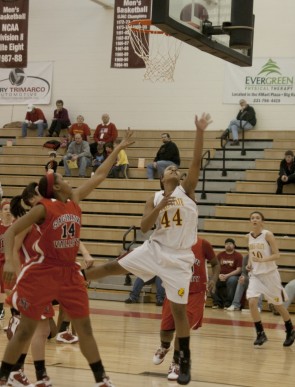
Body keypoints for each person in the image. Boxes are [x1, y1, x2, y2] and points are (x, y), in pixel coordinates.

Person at [86, 112, 212, 385]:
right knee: (111, 266)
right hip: (155, 249)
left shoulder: (187, 191)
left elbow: (196, 163)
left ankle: (183, 362)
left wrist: (200, 131)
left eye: (176, 170)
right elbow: (144, 228)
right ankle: (73, 280)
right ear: (161, 178)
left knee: (179, 313)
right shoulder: (153, 197)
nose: (175, 171)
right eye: (170, 170)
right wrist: (159, 206)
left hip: (180, 258)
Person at [0, 129, 134, 387]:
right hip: (42, 271)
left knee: (76, 328)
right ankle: (8, 374)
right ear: (57, 186)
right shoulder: (44, 208)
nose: (67, 177)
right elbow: (13, 233)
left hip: (67, 271)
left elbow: (100, 175)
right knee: (30, 329)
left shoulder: (73, 200)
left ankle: (100, 379)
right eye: (61, 176)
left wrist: (117, 149)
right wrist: (11, 261)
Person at [152, 237, 220, 381]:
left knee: (183, 328)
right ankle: (164, 346)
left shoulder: (203, 244)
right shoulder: (171, 241)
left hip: (196, 292)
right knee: (165, 330)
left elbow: (215, 263)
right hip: (174, 289)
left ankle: (176, 363)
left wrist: (213, 279)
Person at [246, 211, 295, 347]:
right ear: (250, 221)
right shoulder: (248, 236)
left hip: (270, 274)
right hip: (256, 275)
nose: (254, 220)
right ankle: (260, 333)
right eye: (252, 218)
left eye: (257, 218)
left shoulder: (268, 234)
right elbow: (251, 253)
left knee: (278, 305)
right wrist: (250, 263)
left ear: (262, 221)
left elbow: (277, 255)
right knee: (252, 302)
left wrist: (262, 260)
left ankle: (290, 330)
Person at [211, 238, 243, 309]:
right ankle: (217, 302)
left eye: (230, 244)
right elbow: (214, 266)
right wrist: (218, 275)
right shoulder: (220, 255)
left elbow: (239, 270)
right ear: (224, 245)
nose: (228, 245)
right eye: (226, 244)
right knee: (211, 280)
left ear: (234, 245)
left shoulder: (238, 256)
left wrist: (227, 275)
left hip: (232, 276)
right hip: (220, 276)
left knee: (232, 280)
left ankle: (228, 303)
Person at [0, 201, 14, 321]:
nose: (8, 211)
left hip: (10, 262)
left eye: (10, 209)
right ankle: (0, 311)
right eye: (5, 209)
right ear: (1, 212)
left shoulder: (15, 226)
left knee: (9, 289)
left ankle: (16, 313)